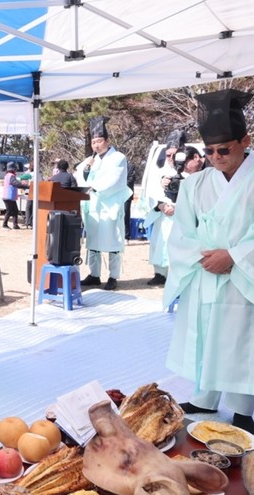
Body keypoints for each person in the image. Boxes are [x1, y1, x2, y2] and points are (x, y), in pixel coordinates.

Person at [163, 89, 254, 435]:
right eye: (210, 151)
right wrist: (206, 257)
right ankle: (204, 398)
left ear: (245, 141)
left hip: (244, 276)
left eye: (224, 150)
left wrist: (234, 257)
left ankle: (244, 408)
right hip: (204, 271)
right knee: (205, 334)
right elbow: (182, 232)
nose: (216, 157)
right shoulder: (196, 183)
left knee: (242, 339)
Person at [78, 116, 132, 291]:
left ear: (107, 141)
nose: (96, 145)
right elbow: (79, 176)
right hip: (93, 206)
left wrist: (93, 187)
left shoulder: (118, 158)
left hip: (110, 206)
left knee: (112, 242)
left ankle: (113, 276)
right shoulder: (91, 159)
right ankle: (94, 274)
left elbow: (114, 181)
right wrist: (86, 168)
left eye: (99, 141)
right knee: (93, 243)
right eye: (93, 142)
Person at [139, 129, 187, 286]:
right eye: (168, 155)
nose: (171, 158)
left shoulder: (189, 171)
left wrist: (176, 207)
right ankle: (160, 273)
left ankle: (179, 274)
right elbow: (150, 192)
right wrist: (160, 205)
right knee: (160, 243)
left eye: (174, 154)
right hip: (163, 215)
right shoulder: (159, 171)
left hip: (181, 217)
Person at [2, 161, 28, 229]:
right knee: (9, 211)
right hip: (9, 196)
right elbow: (16, 184)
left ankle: (15, 225)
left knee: (15, 211)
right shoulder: (11, 176)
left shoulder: (7, 175)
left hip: (8, 196)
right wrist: (26, 186)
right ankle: (5, 224)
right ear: (13, 169)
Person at [20, 163, 34, 229]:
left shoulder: (30, 174)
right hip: (38, 193)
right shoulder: (39, 174)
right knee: (34, 208)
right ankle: (32, 223)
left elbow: (20, 178)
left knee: (28, 207)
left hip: (30, 192)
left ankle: (28, 222)